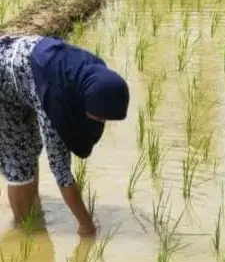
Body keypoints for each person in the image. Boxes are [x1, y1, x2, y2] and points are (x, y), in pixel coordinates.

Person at [0, 35, 129, 236]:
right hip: (5, 85)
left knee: (31, 146)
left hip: (26, 72)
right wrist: (86, 224)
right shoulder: (55, 100)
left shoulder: (94, 72)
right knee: (18, 160)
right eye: (99, 117)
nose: (101, 123)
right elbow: (60, 170)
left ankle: (32, 207)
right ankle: (24, 230)